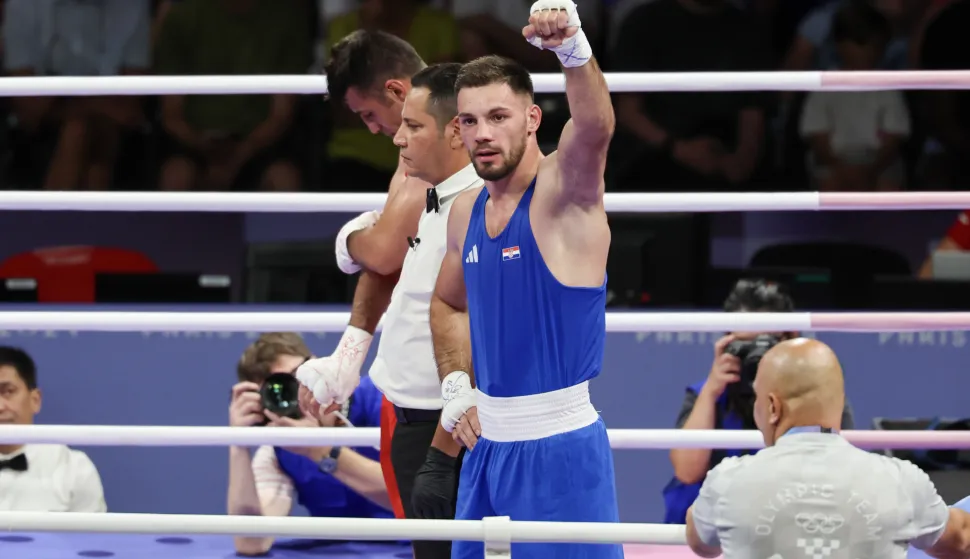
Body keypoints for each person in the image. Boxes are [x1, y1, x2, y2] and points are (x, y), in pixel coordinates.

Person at [427, 2, 621, 557]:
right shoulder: (463, 211)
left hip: (561, 450)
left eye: (498, 116)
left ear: (533, 119)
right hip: (487, 452)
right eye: (469, 121)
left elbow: (596, 127)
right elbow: (447, 304)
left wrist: (572, 48)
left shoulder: (565, 194)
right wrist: (455, 387)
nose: (482, 134)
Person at [298, 40, 478, 559]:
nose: (381, 133)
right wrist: (348, 358)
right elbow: (391, 265)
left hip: (440, 413)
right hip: (416, 402)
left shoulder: (473, 181)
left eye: (370, 114)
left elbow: (380, 252)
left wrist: (348, 240)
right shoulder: (425, 168)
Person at [685, 337, 970, 559]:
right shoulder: (902, 482)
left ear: (772, 407)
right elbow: (961, 539)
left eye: (757, 398)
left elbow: (701, 544)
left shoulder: (728, 481)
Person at [664, 279, 855, 524]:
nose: (756, 356)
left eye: (764, 344)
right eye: (746, 344)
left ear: (790, 339)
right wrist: (711, 390)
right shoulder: (706, 393)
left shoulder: (819, 398)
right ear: (728, 343)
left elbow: (839, 472)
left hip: (789, 522)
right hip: (711, 528)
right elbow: (686, 472)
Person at [228, 333, 390, 556]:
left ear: (316, 364)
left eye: (295, 377)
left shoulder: (383, 399)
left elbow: (408, 499)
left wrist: (319, 449)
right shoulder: (280, 450)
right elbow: (251, 543)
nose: (294, 392)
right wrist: (238, 445)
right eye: (277, 391)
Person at [799, 0, 910, 191]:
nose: (869, 52)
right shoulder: (824, 84)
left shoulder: (888, 84)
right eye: (861, 43)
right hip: (832, 161)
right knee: (830, 185)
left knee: (888, 188)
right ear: (840, 44)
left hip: (878, 162)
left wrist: (871, 169)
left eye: (876, 45)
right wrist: (841, 168)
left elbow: (894, 135)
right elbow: (817, 135)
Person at [0, 346, 106, 512]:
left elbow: (93, 537)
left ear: (35, 400)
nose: (0, 406)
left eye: (8, 392)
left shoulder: (73, 468)